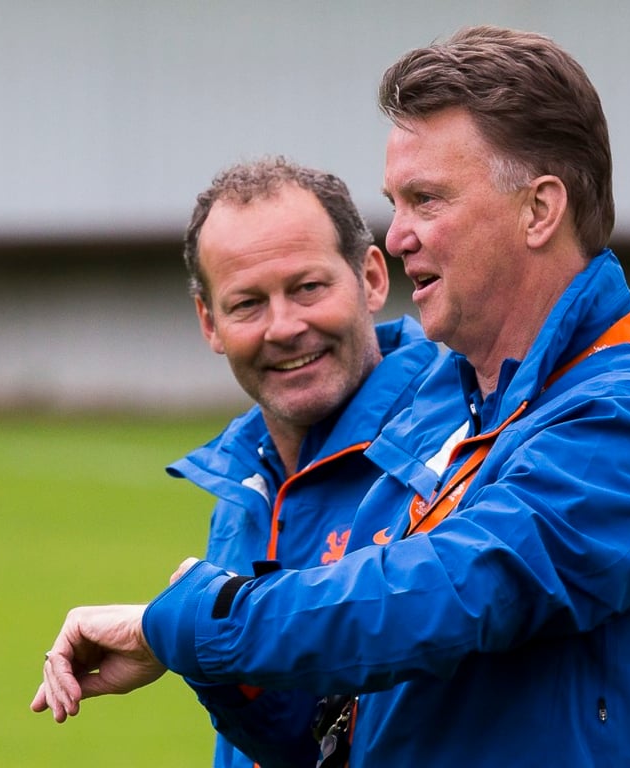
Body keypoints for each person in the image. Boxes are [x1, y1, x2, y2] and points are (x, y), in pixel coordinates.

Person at [33, 25, 630, 767]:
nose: (398, 236)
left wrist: (191, 621)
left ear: (539, 211)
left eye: (426, 200)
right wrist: (217, 665)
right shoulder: (460, 424)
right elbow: (334, 732)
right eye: (395, 203)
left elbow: (442, 594)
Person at [167, 157, 442, 767]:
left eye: (308, 288)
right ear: (210, 323)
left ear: (372, 278)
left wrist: (169, 629)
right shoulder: (244, 487)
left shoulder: (448, 453)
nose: (284, 327)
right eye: (247, 304)